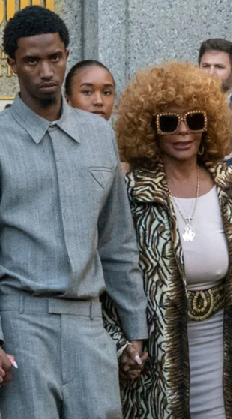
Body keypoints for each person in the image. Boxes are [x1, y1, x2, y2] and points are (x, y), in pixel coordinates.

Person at [0, 6, 148, 418]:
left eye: (55, 58)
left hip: (89, 323)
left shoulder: (99, 136)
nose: (46, 70)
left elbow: (117, 241)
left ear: (65, 56)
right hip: (22, 321)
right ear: (13, 65)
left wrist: (136, 328)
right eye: (32, 60)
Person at [104, 61, 232, 419]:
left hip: (220, 354)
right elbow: (105, 277)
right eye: (168, 121)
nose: (182, 131)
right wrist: (120, 346)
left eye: (194, 120)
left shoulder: (227, 188)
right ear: (150, 128)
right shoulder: (131, 194)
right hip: (155, 366)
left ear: (209, 125)